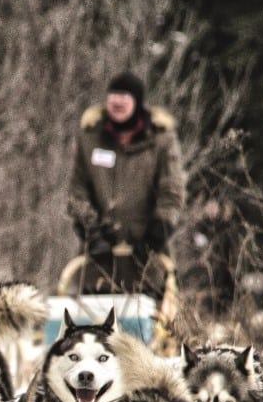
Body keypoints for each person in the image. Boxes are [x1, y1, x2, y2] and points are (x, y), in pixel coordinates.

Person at [67, 71, 186, 300]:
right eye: (114, 96)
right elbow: (77, 191)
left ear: (137, 102)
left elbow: (171, 190)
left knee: (148, 329)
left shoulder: (161, 140)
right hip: (97, 261)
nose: (118, 102)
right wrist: (91, 231)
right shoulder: (90, 138)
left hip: (147, 262)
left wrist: (157, 233)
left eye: (125, 97)